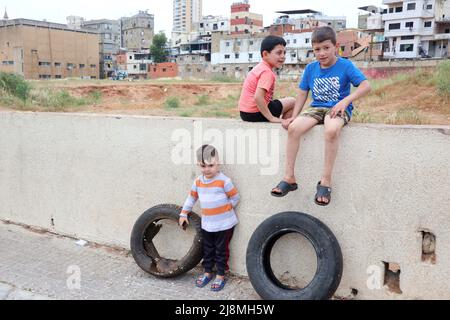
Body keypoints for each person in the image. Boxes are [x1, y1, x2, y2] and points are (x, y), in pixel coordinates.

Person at [271, 26, 371, 206]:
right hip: (316, 108)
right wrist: (294, 116)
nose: (322, 53)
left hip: (337, 108)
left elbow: (365, 86)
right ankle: (289, 178)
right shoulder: (311, 68)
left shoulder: (345, 65)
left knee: (331, 130)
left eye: (326, 48)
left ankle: (325, 181)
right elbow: (302, 93)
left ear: (335, 46)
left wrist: (345, 101)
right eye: (317, 49)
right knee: (293, 129)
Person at [179, 145, 240, 292]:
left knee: (221, 250)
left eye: (211, 165)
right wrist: (183, 213)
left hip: (224, 224)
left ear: (218, 163)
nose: (207, 169)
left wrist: (228, 207)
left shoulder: (224, 181)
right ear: (198, 165)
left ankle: (220, 275)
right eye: (203, 166)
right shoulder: (198, 182)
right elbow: (191, 198)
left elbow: (235, 196)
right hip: (207, 224)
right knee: (207, 249)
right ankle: (207, 272)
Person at [239, 35, 296, 123]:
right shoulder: (267, 72)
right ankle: (285, 125)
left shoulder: (259, 67)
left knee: (281, 101)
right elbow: (258, 97)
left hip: (245, 113)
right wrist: (271, 118)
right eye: (279, 53)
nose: (283, 56)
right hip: (256, 113)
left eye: (284, 53)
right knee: (293, 102)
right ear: (265, 54)